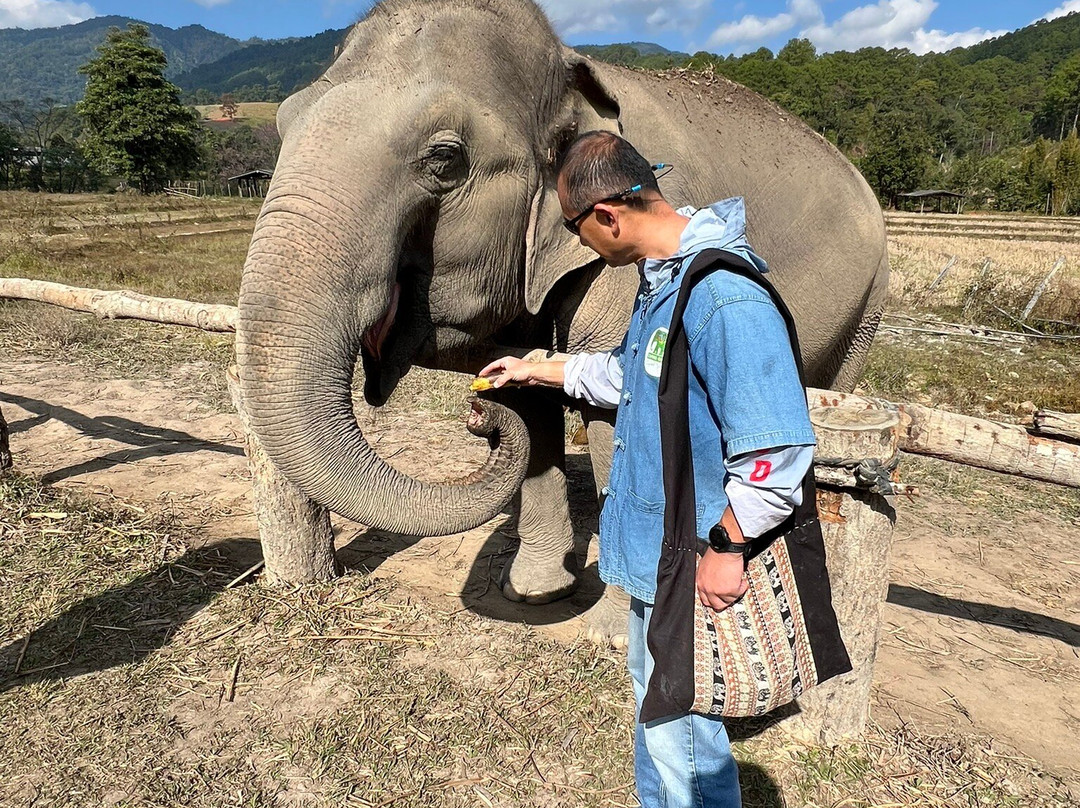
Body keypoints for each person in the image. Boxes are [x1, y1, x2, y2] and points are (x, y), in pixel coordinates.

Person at [478, 131, 816, 808]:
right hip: (659, 554)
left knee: (685, 737)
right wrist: (537, 369)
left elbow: (776, 454)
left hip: (694, 558)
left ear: (607, 215)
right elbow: (633, 375)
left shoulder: (725, 299)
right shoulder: (666, 285)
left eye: (577, 230)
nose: (581, 245)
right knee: (659, 712)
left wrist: (726, 546)